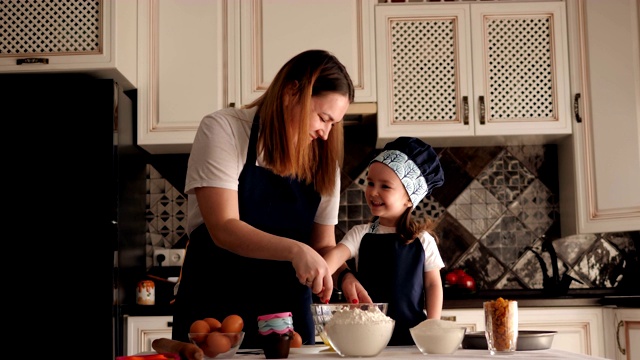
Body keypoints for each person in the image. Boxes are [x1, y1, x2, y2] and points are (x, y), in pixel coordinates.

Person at [172, 49, 358, 349]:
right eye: (323, 118)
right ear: (291, 92)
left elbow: (322, 245)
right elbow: (223, 226)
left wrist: (346, 275)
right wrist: (296, 251)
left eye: (333, 124)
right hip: (215, 309)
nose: (326, 134)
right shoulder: (225, 129)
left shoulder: (324, 164)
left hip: (288, 318)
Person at [323, 136, 446, 346]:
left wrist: (432, 324)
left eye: (385, 186)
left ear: (409, 198)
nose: (373, 191)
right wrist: (321, 272)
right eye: (370, 183)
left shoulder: (423, 241)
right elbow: (336, 256)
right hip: (367, 338)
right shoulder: (360, 233)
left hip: (412, 337)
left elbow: (433, 284)